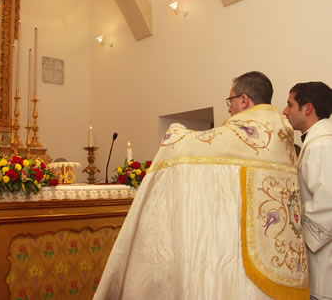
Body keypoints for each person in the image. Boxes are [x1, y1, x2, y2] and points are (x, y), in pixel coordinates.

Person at [94, 71, 309, 299]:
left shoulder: (254, 133)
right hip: (283, 254)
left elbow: (194, 146)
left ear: (244, 100)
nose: (229, 107)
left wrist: (175, 134)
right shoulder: (281, 131)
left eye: (231, 100)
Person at [283, 82, 332, 300]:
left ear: (308, 108)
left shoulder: (322, 145)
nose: (285, 111)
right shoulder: (316, 142)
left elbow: (328, 202)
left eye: (290, 104)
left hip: (323, 264)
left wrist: (293, 230)